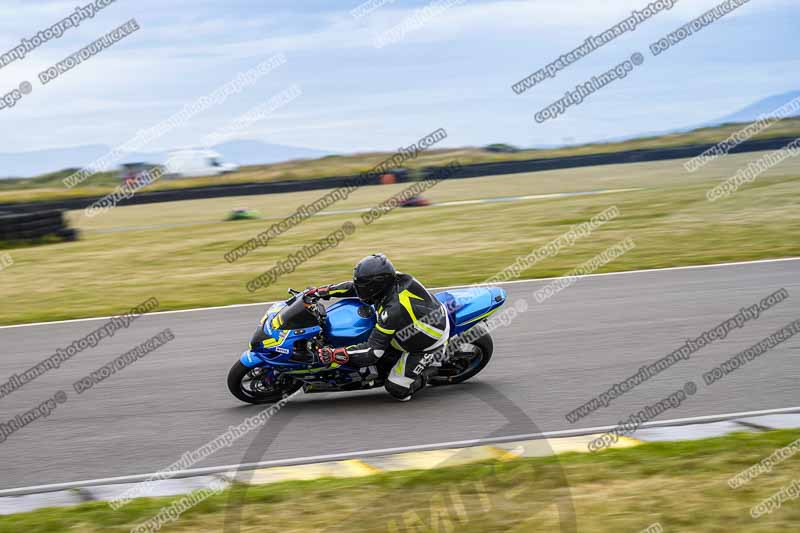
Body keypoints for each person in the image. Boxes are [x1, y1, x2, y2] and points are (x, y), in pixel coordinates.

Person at [307, 253, 450, 401]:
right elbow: (354, 287)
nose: (360, 289)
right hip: (414, 322)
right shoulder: (391, 281)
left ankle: (434, 367)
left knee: (398, 388)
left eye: (364, 286)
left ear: (376, 286)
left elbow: (372, 352)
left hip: (426, 343)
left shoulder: (393, 310)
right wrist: (323, 291)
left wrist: (336, 354)